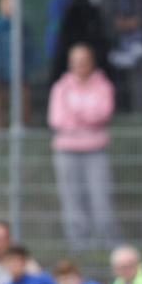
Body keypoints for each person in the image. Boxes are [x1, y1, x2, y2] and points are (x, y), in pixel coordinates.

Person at [48, 43, 119, 252]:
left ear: (91, 62)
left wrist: (77, 114)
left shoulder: (103, 85)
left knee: (101, 197)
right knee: (71, 198)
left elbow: (103, 114)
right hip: (66, 150)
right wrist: (88, 115)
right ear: (70, 63)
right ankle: (80, 246)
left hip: (95, 149)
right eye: (76, 61)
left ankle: (108, 245)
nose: (80, 65)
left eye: (84, 61)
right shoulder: (60, 88)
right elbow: (57, 119)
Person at [0, 0, 34, 128]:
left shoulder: (22, 26)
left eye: (13, 3)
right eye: (7, 3)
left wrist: (27, 67)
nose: (11, 6)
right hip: (0, 74)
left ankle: (24, 132)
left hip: (20, 73)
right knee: (0, 105)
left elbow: (29, 48)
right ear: (0, 5)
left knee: (24, 103)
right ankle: (1, 134)